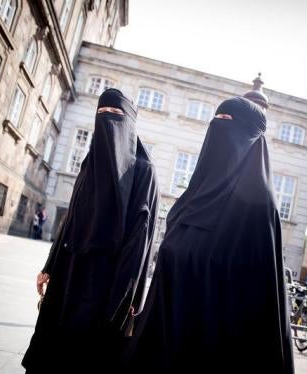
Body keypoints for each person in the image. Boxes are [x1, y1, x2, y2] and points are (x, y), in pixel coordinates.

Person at [123, 97, 294, 373]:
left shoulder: (259, 209)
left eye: (229, 124)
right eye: (216, 121)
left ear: (251, 138)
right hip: (162, 345)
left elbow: (260, 307)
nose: (218, 131)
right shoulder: (189, 202)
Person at [22, 89, 159, 373]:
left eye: (116, 115)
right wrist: (50, 264)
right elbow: (71, 217)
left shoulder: (144, 171)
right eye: (102, 114)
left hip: (107, 284)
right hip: (67, 275)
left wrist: (128, 299)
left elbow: (140, 240)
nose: (108, 121)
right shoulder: (89, 164)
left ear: (130, 123)